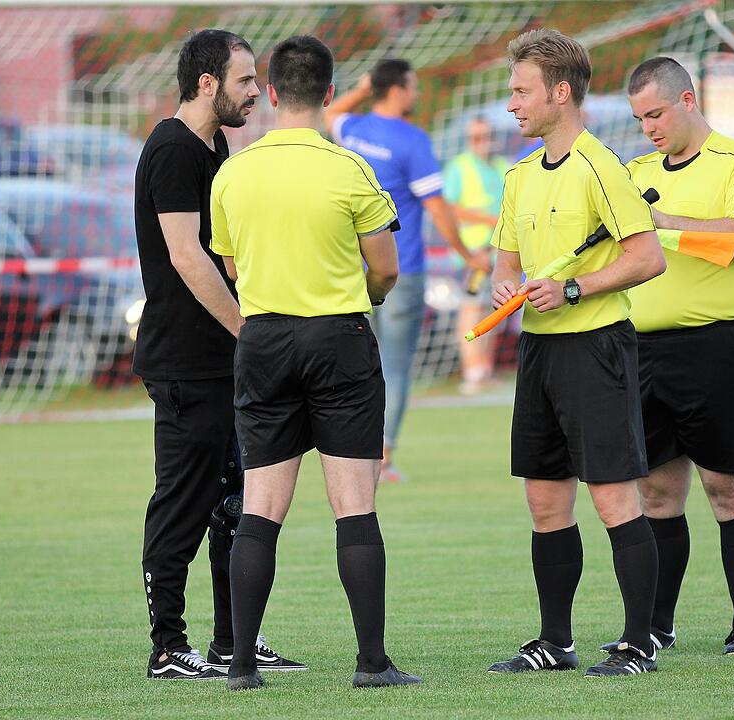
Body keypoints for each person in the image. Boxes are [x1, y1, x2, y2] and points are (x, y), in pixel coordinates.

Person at [210, 34, 420, 692]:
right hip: (339, 339)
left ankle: (242, 664)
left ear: (270, 94)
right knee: (354, 505)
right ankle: (371, 663)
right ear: (330, 94)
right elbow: (384, 266)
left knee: (262, 506)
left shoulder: (232, 172)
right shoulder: (349, 169)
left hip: (265, 340)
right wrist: (368, 296)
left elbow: (233, 265)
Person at [487, 28, 667, 678]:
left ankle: (639, 644)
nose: (512, 104)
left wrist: (572, 287)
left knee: (615, 498)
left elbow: (648, 257)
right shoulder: (518, 176)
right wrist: (506, 285)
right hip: (539, 356)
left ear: (559, 93)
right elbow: (502, 264)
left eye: (521, 91)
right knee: (544, 501)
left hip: (597, 349)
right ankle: (554, 643)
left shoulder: (603, 167)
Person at [133, 28, 303, 680]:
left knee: (236, 501)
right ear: (207, 82)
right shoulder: (174, 149)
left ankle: (236, 639)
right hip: (186, 362)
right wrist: (246, 330)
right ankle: (168, 647)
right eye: (244, 81)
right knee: (184, 500)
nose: (256, 92)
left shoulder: (216, 145)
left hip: (224, 361)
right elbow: (184, 254)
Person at [613, 56, 734, 655]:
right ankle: (656, 626)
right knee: (655, 492)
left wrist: (665, 225)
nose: (648, 126)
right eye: (639, 117)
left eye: (655, 113)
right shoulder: (632, 171)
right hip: (642, 348)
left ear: (688, 101)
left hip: (719, 346)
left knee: (729, 485)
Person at [324, 59, 491, 482]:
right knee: (393, 368)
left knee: (354, 367)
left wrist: (362, 88)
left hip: (349, 271)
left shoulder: (354, 129)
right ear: (397, 89)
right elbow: (438, 209)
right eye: (412, 86)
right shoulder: (413, 141)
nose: (416, 94)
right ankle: (382, 460)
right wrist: (470, 257)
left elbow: (328, 114)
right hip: (402, 271)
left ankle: (349, 457)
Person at [442, 116, 510, 393]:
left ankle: (485, 368)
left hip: (497, 252)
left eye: (486, 135)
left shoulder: (503, 167)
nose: (482, 142)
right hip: (472, 253)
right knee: (470, 309)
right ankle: (472, 370)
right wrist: (487, 220)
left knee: (492, 308)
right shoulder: (459, 166)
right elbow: (450, 208)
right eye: (476, 137)